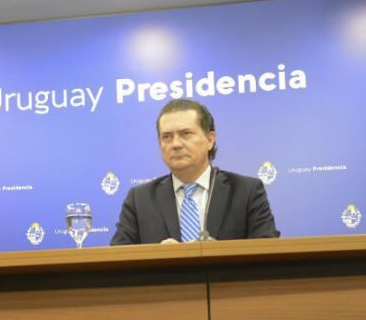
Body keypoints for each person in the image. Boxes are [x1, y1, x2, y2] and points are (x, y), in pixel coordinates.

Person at [110, 99, 278, 245]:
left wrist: (219, 253)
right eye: (167, 137)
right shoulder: (140, 200)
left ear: (210, 140)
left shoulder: (246, 191)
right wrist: (157, 256)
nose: (175, 144)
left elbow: (268, 251)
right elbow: (118, 258)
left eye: (186, 134)